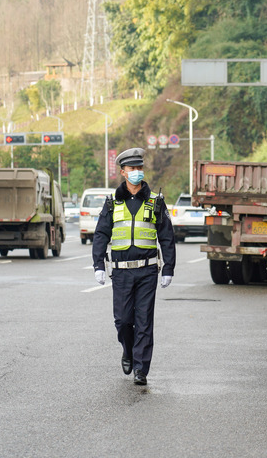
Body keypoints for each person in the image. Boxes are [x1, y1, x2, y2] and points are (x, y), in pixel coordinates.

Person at [92, 147, 176, 385]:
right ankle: (128, 350)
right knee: (122, 320)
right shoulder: (112, 203)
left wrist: (168, 268)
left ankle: (141, 369)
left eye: (140, 168)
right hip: (120, 271)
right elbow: (100, 235)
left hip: (148, 270)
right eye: (132, 169)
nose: (137, 172)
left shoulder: (155, 202)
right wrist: (98, 264)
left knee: (144, 321)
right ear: (123, 172)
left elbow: (167, 237)